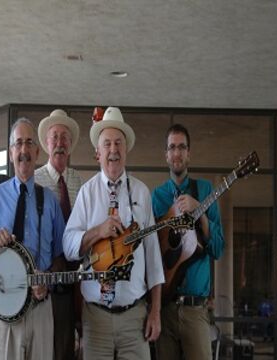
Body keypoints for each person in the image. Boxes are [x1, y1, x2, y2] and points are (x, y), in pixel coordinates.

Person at [63, 107, 165, 360]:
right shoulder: (87, 193)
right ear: (98, 153)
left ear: (126, 150)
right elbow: (68, 245)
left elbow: (153, 256)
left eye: (118, 143)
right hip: (95, 319)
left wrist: (155, 312)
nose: (113, 150)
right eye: (107, 144)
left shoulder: (141, 192)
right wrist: (98, 231)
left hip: (135, 318)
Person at [0, 118, 65, 360]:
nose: (24, 150)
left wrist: (47, 280)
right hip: (5, 313)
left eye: (29, 143)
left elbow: (60, 258)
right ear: (10, 152)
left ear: (37, 151)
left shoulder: (50, 201)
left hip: (40, 308)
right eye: (18, 144)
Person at [152, 124, 224, 360]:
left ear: (189, 153)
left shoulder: (205, 190)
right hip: (165, 308)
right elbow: (152, 251)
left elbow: (218, 248)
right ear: (166, 155)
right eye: (172, 147)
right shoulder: (157, 197)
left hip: (195, 311)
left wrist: (199, 212)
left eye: (182, 147)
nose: (177, 153)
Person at [35, 109, 82, 360]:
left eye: (65, 138)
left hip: (72, 282)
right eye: (55, 137)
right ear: (47, 144)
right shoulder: (35, 180)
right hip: (44, 280)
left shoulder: (77, 181)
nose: (60, 143)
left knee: (66, 349)